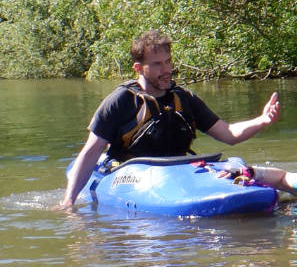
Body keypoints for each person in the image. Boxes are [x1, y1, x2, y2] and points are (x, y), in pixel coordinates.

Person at [58, 30, 281, 210]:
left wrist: (262, 120)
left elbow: (229, 134)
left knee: (235, 164)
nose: (166, 70)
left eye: (168, 62)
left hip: (177, 172)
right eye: (157, 64)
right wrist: (69, 202)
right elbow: (92, 150)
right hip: (132, 173)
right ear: (138, 68)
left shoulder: (183, 98)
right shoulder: (121, 101)